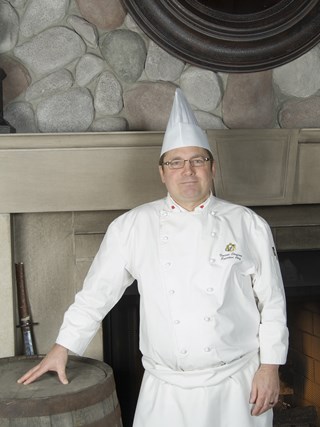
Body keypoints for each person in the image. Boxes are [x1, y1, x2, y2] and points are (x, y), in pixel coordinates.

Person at [18, 88, 288, 427]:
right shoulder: (132, 226)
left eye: (197, 160)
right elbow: (97, 294)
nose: (187, 171)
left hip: (238, 383)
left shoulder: (248, 224)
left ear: (212, 167)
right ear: (162, 172)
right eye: (176, 162)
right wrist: (63, 347)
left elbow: (273, 301)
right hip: (166, 390)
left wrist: (270, 366)